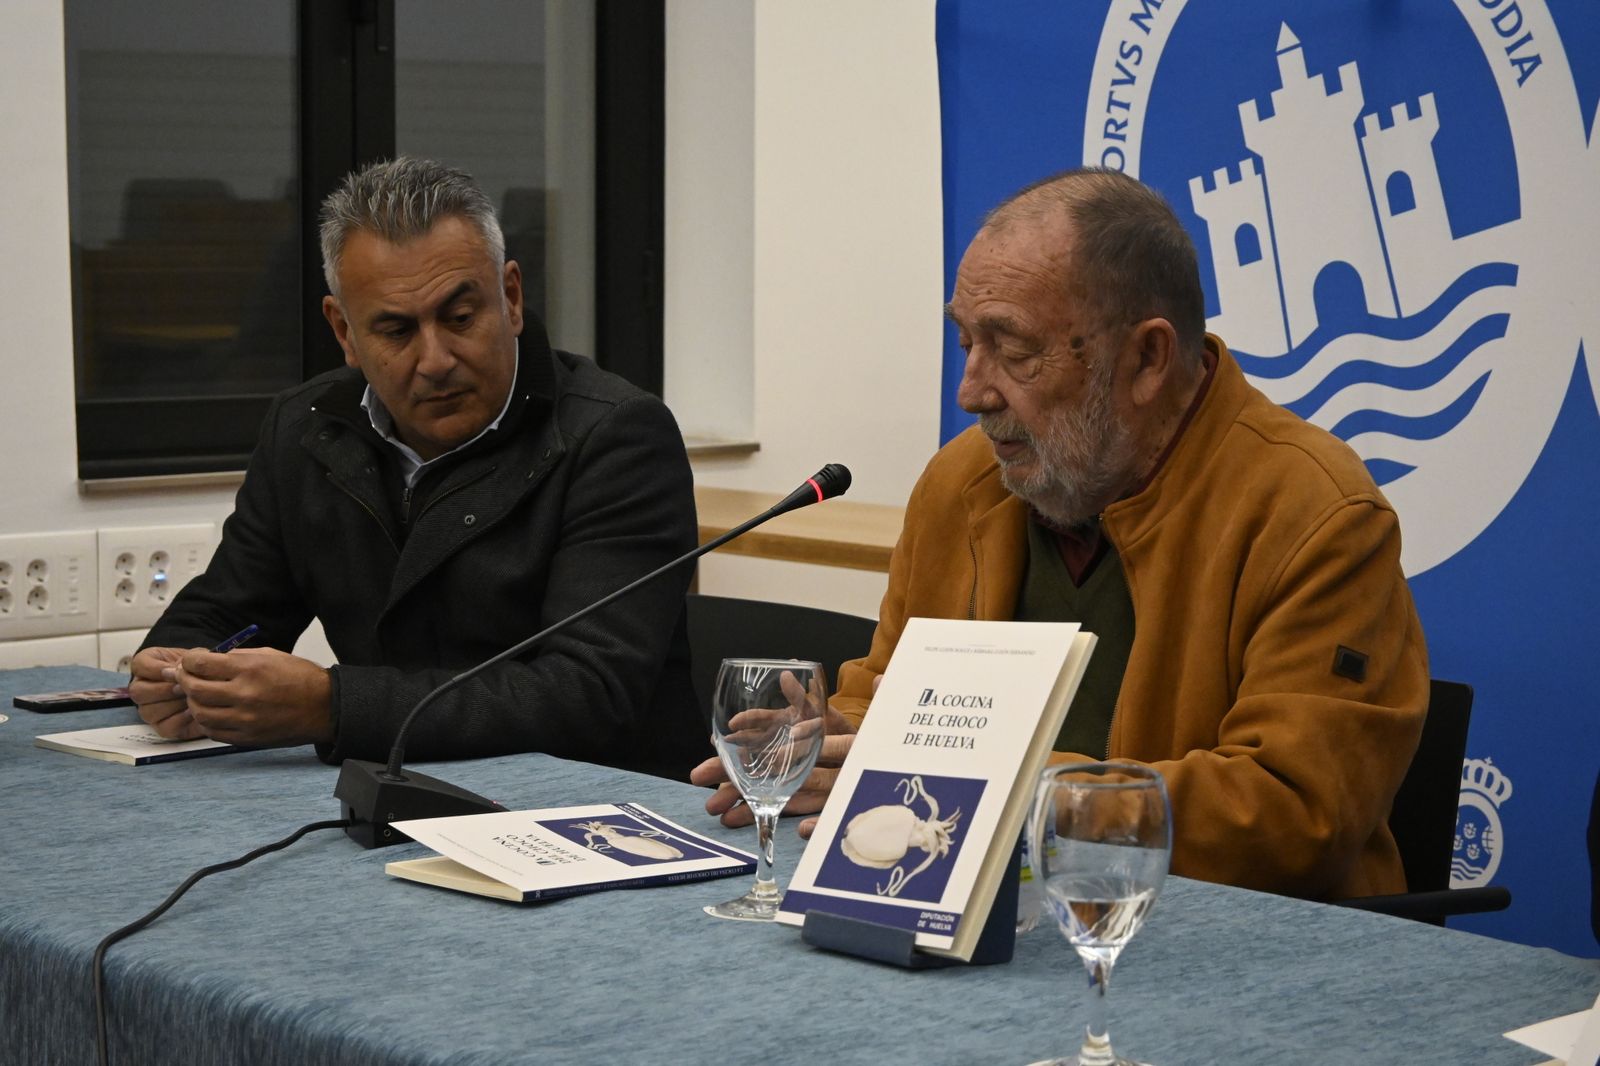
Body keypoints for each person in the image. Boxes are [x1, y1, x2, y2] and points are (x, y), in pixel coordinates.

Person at [694, 167, 1429, 899]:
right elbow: (890, 697)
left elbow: (1294, 816)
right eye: (965, 343)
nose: (972, 391)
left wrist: (1004, 794)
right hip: (987, 914)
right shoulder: (963, 485)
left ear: (1147, 358)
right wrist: (827, 743)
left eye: (1013, 351)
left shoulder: (1315, 514)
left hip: (1239, 950)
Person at [131, 157, 706, 779]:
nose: (436, 360)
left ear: (510, 298)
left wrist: (332, 705)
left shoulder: (616, 436)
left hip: (600, 804)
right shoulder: (305, 428)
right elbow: (223, 613)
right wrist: (176, 671)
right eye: (397, 331)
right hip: (395, 791)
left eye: (460, 319)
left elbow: (585, 694)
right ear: (344, 332)